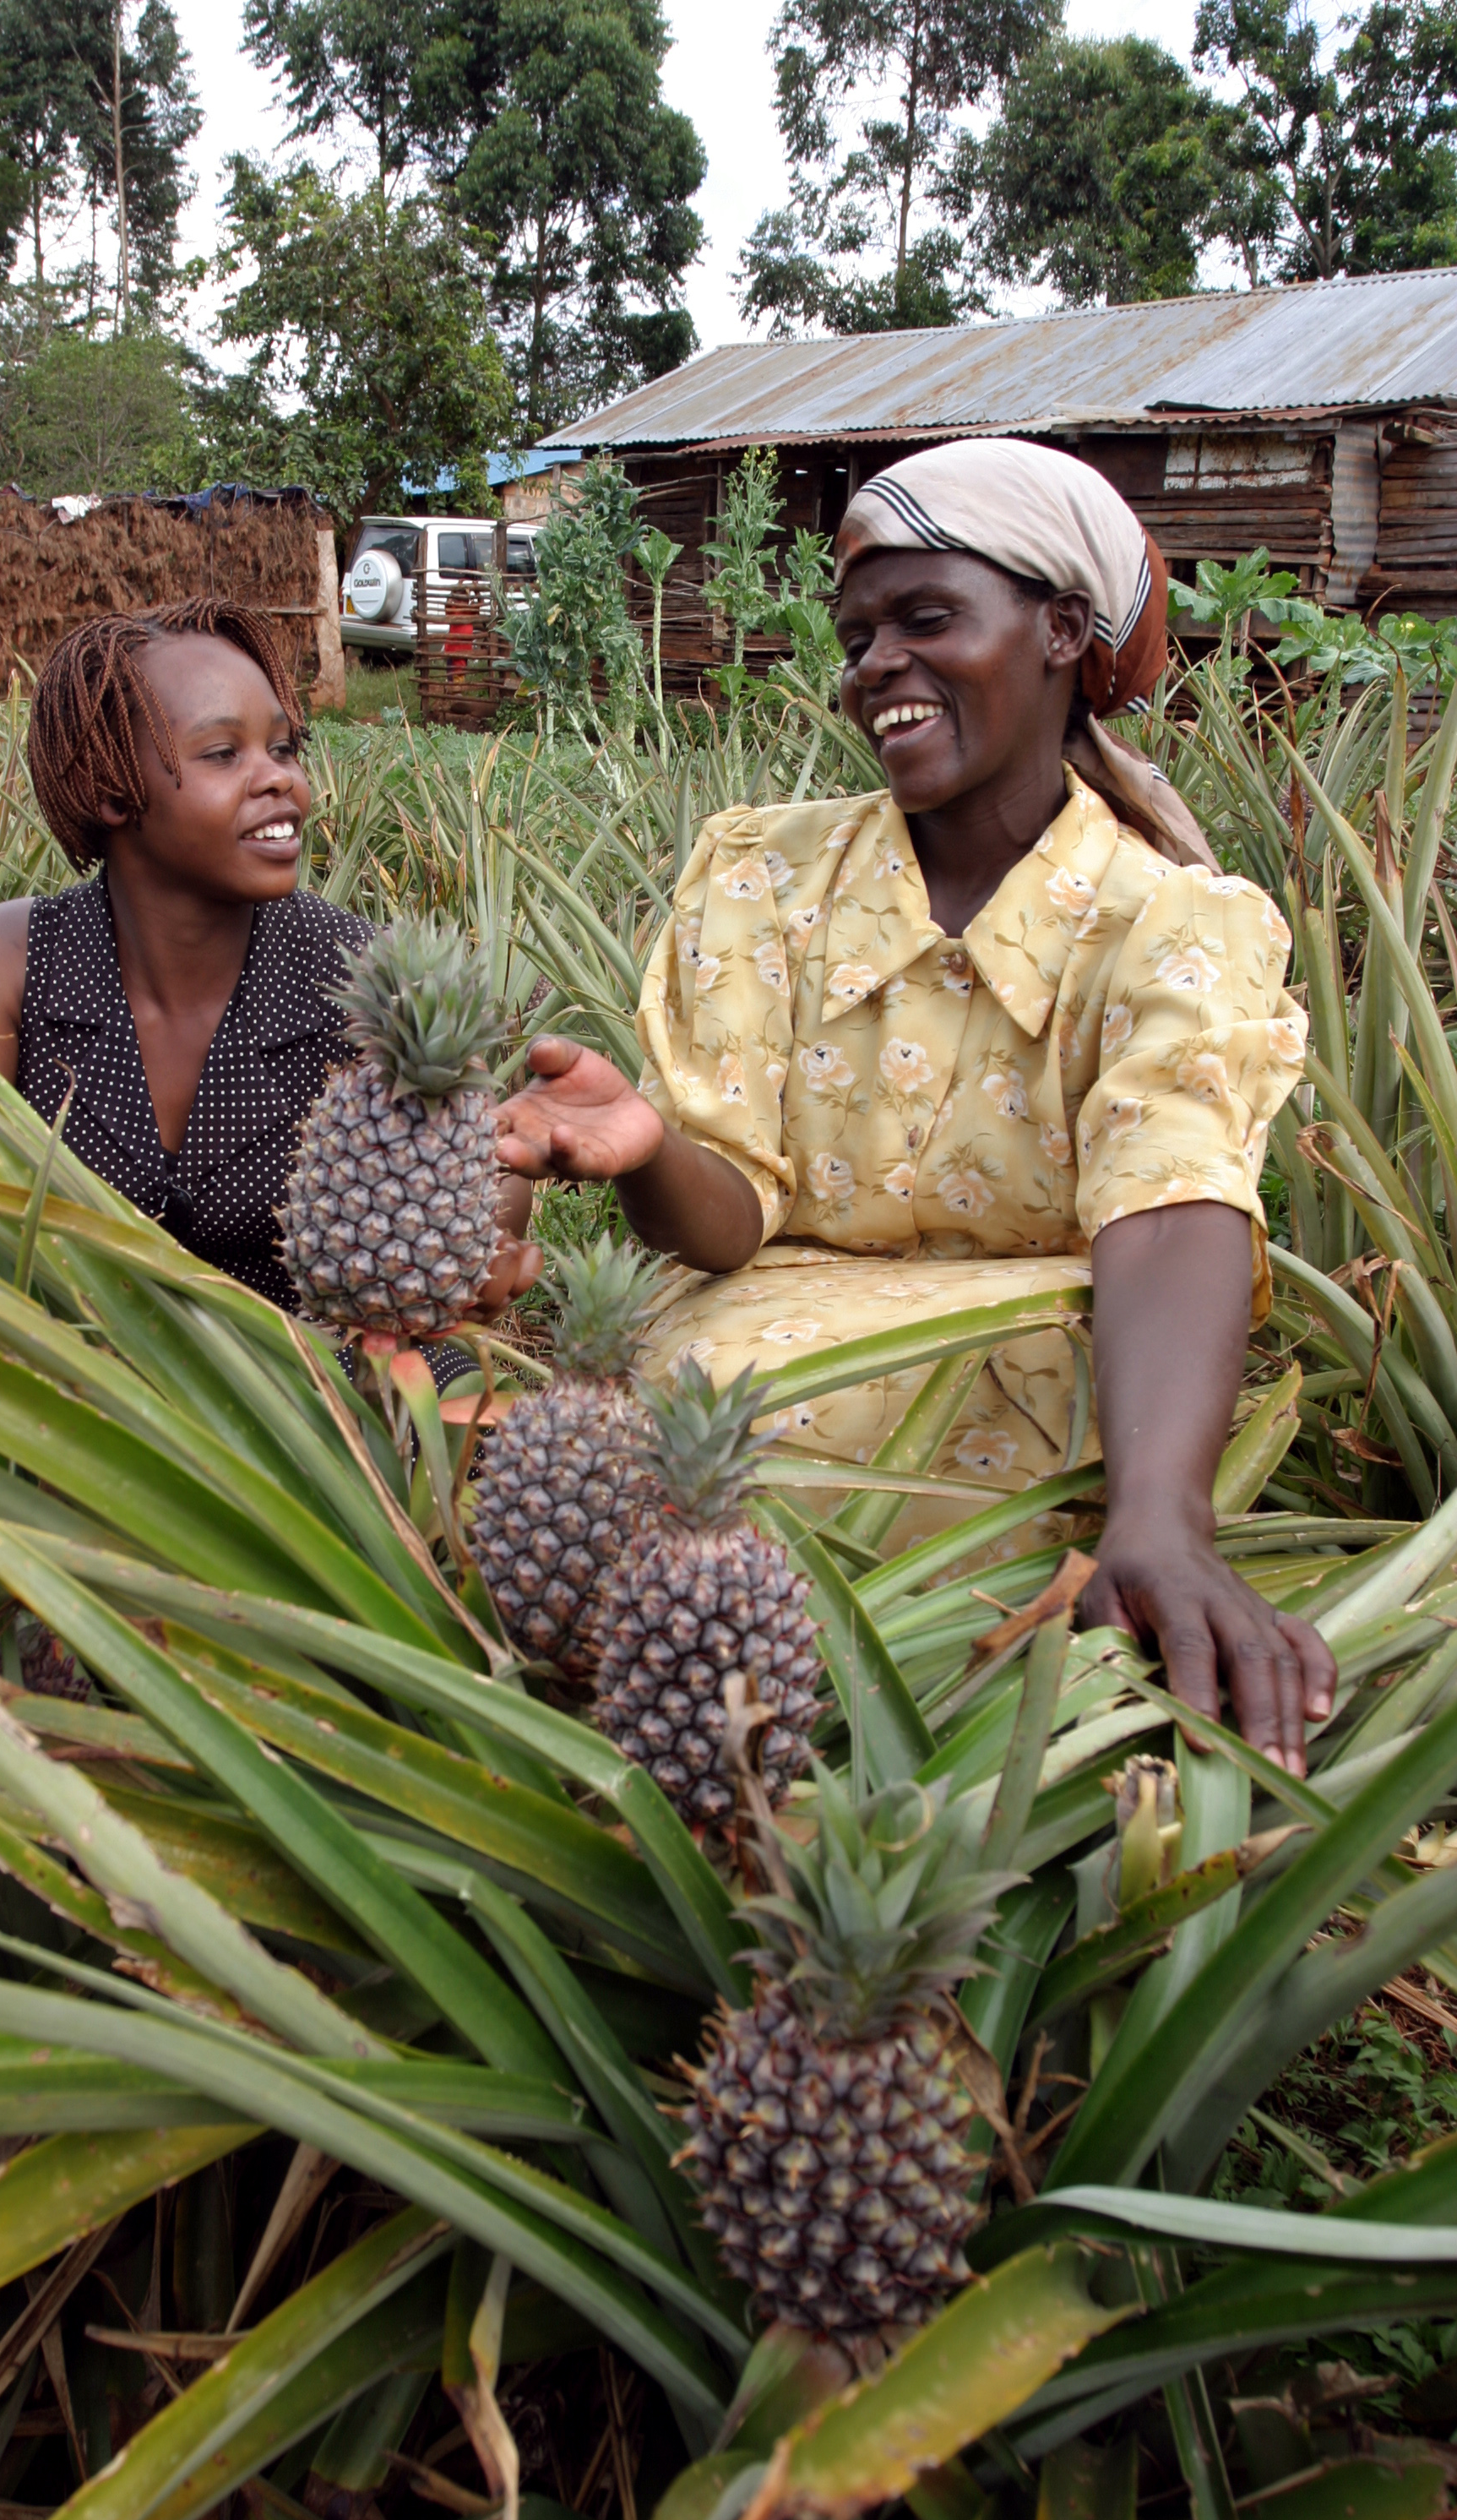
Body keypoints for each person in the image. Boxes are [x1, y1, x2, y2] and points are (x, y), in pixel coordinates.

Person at [496, 438, 1335, 1772]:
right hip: (730, 1343)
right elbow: (729, 1222)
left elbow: (1171, 1202)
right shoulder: (766, 874)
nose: (876, 663)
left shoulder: (1172, 920)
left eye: (926, 619)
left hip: (1028, 1367)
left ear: (1063, 629)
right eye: (859, 635)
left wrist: (1165, 1515)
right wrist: (654, 1151)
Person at [0, 596, 537, 1318]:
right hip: (63, 1384)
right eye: (224, 753)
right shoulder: (8, 963)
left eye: (283, 748)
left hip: (317, 1383)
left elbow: (483, 1163)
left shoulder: (360, 972)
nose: (279, 778)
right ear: (111, 788)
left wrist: (475, 1244)